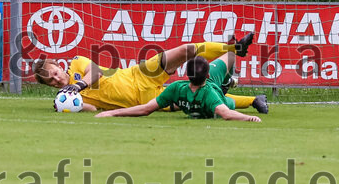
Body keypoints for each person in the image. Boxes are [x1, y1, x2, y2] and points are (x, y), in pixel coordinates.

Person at [34, 33, 268, 114]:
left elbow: (95, 72)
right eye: (51, 81)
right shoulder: (69, 97)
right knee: (197, 97)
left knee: (185, 50)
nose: (56, 79)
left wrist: (78, 86)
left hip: (139, 74)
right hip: (144, 101)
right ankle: (253, 100)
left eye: (54, 73)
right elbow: (93, 109)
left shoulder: (77, 63)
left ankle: (234, 48)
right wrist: (69, 106)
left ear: (58, 65)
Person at [94, 54, 261, 122]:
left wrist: (112, 112)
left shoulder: (176, 88)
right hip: (218, 95)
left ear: (186, 74)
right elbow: (226, 113)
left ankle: (226, 83)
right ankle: (225, 84)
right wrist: (250, 118)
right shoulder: (210, 93)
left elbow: (145, 109)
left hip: (207, 93)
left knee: (230, 58)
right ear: (208, 75)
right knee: (230, 55)